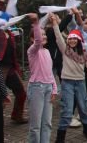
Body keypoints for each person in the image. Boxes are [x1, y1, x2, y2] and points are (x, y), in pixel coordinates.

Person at [50, 13, 87, 142]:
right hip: (67, 83)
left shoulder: (84, 53)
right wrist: (54, 23)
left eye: (75, 39)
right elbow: (58, 37)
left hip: (80, 83)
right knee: (67, 110)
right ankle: (60, 138)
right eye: (70, 38)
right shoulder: (65, 49)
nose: (72, 40)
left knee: (84, 107)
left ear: (79, 40)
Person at [26, 13, 57, 143]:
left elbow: (50, 73)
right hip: (36, 88)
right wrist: (36, 23)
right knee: (36, 126)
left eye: (44, 34)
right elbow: (38, 42)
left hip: (48, 88)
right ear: (32, 39)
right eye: (40, 34)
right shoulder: (32, 51)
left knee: (47, 123)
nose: (43, 36)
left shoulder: (47, 52)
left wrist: (54, 89)